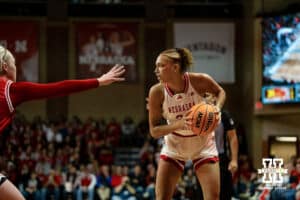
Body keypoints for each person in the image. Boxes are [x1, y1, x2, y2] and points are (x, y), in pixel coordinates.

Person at [0, 44, 125, 200]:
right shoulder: (10, 90)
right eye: (14, 64)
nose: (16, 68)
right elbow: (59, 88)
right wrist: (98, 81)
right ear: (5, 66)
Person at [147, 47, 226, 200]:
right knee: (161, 197)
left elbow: (220, 92)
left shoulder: (200, 81)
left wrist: (217, 108)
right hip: (174, 145)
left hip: (203, 144)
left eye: (160, 66)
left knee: (213, 197)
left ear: (175, 67)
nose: (156, 70)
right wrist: (179, 124)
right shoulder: (156, 92)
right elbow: (154, 131)